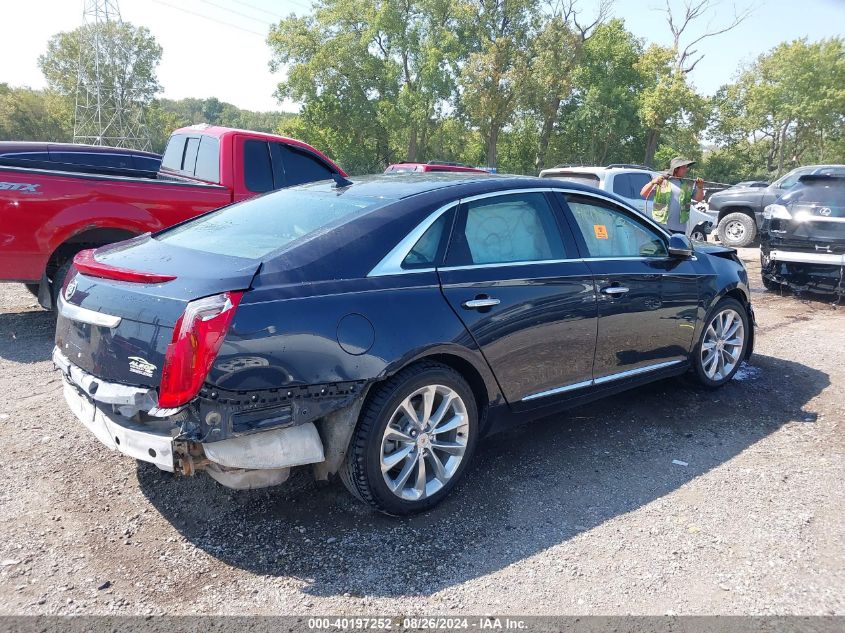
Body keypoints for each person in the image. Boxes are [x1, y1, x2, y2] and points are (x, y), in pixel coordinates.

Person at [640, 157, 705, 233]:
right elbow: (643, 193)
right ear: (676, 169)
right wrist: (652, 182)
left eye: (686, 167)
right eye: (683, 168)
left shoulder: (687, 184)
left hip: (679, 228)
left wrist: (700, 187)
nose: (686, 170)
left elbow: (698, 199)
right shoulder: (661, 181)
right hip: (661, 226)